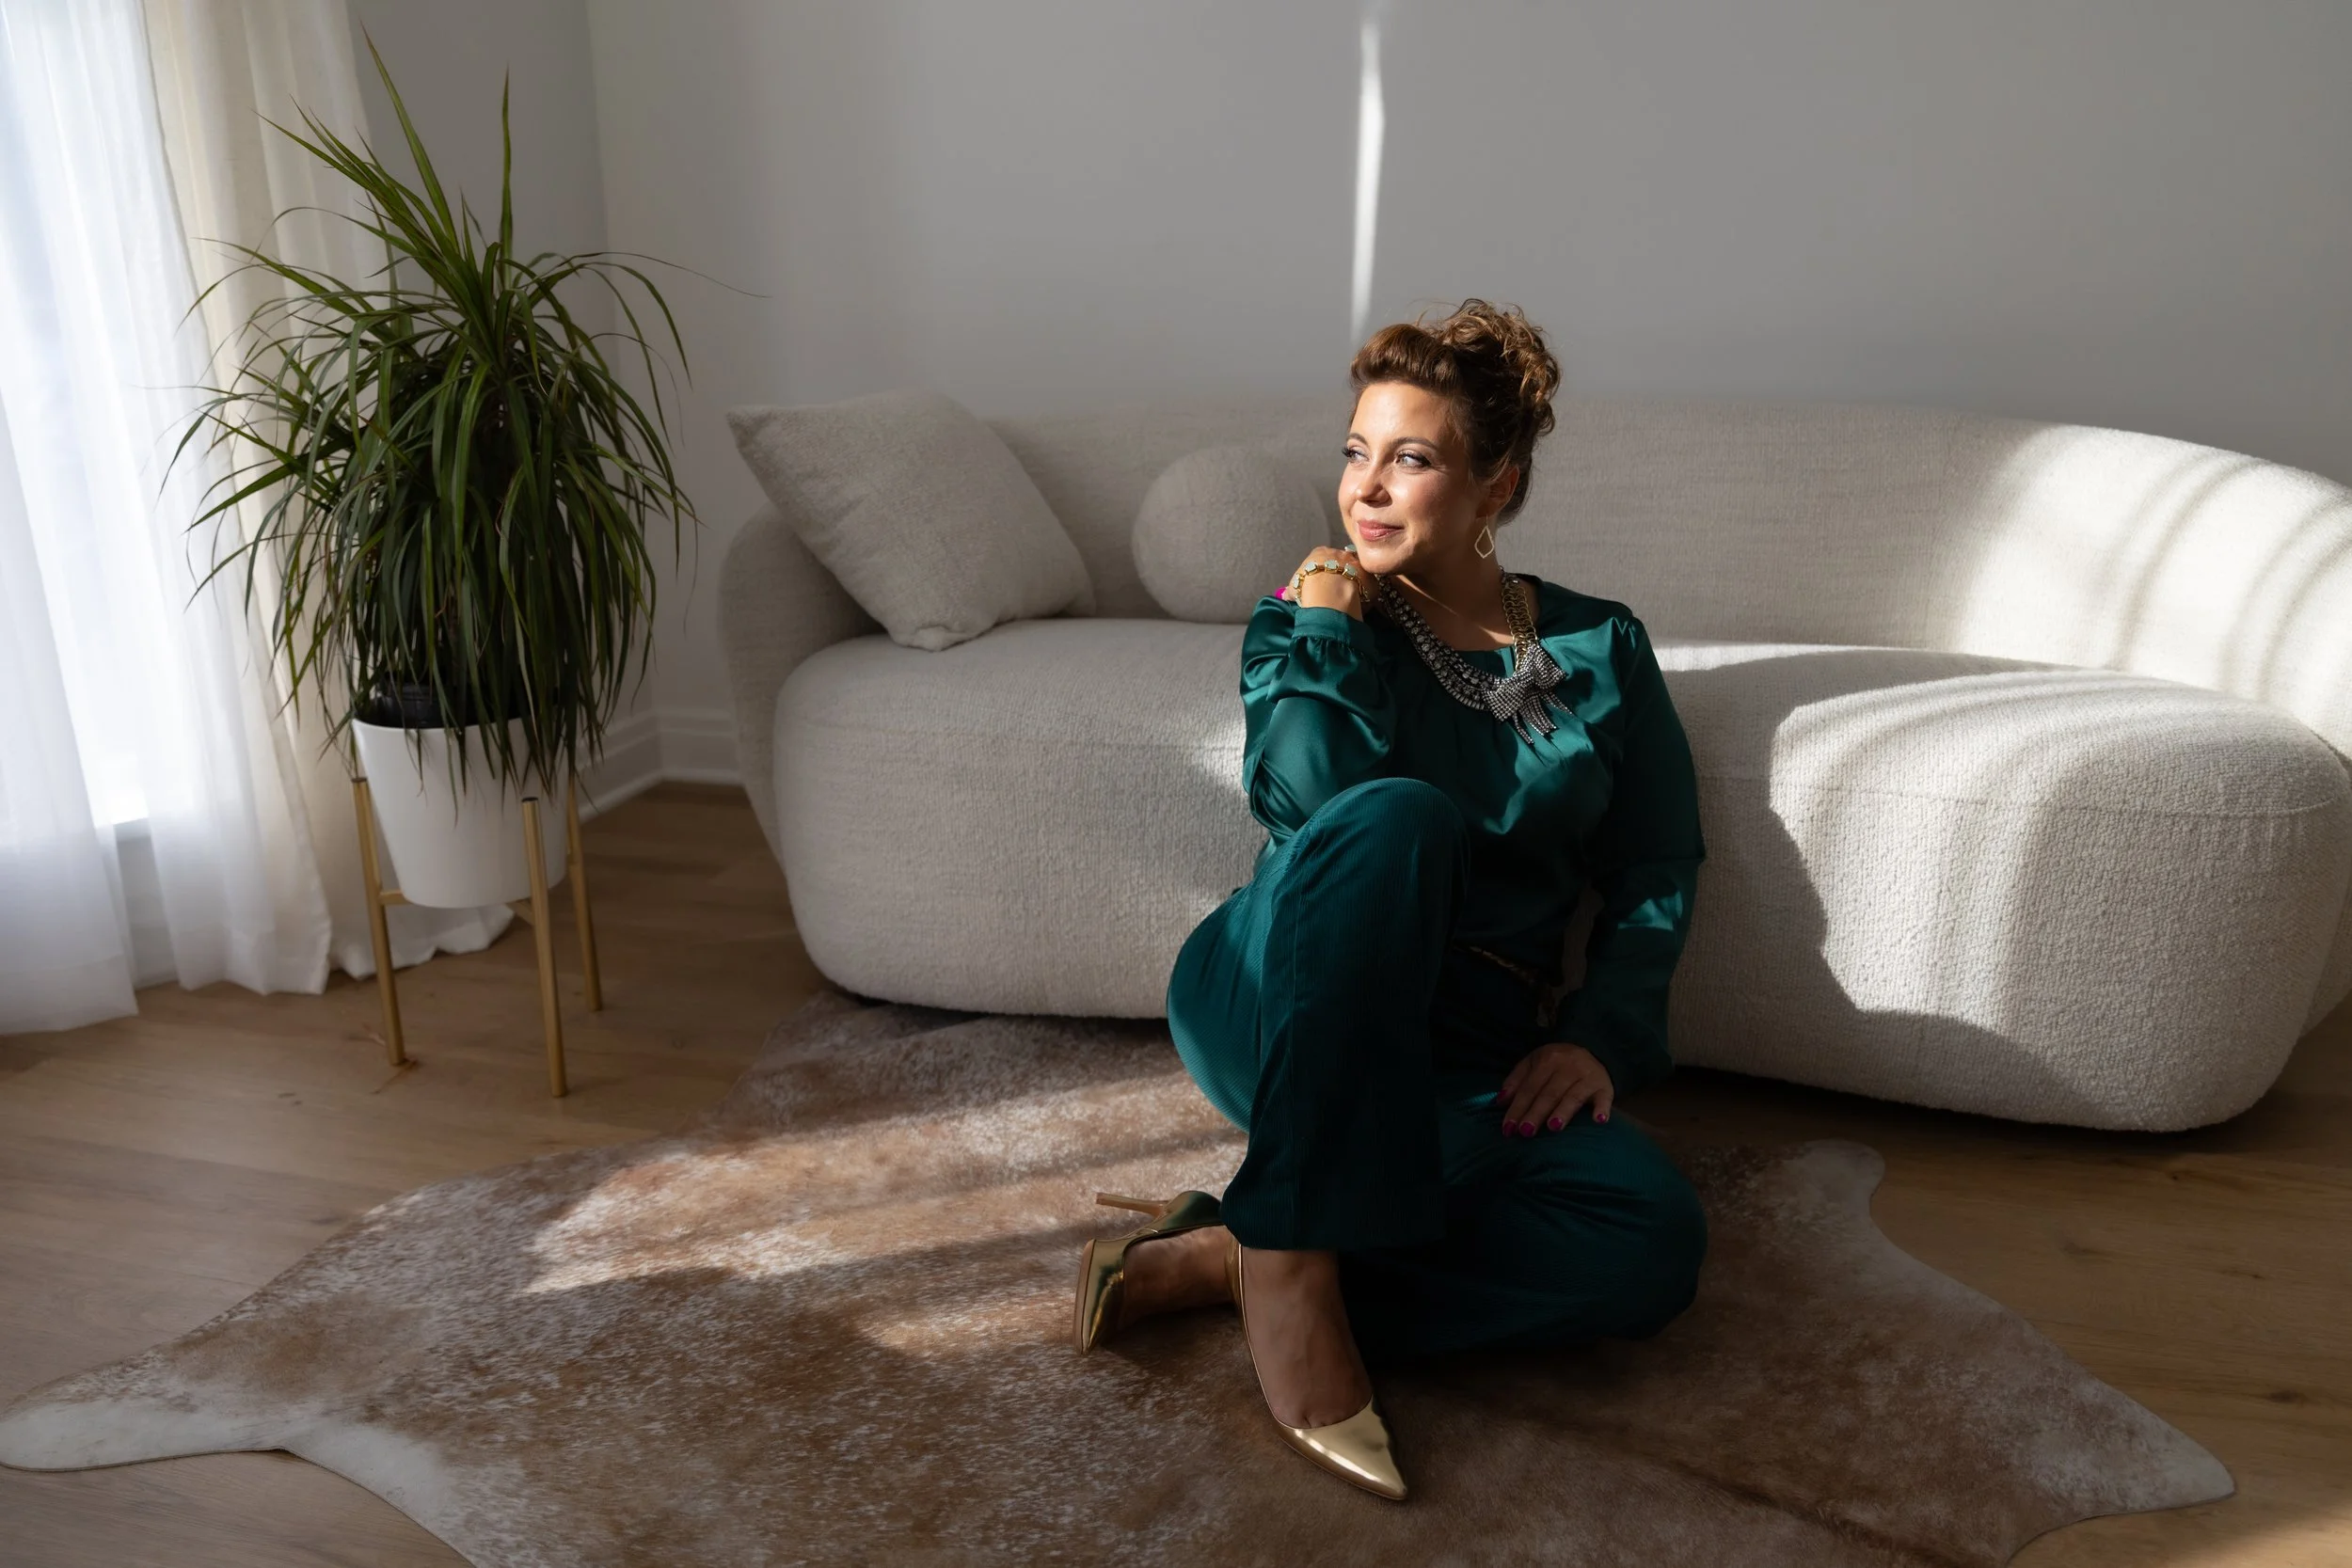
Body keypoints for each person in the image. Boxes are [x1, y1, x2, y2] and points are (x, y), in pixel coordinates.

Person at [1072, 300, 1709, 1501]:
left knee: (1649, 1242)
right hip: (1282, 984)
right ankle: (1302, 1295)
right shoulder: (1311, 618)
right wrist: (1321, 624)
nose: (1364, 488)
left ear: (1495, 487)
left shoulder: (1601, 645)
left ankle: (1242, 1250)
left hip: (1466, 1042)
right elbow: (1306, 800)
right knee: (1394, 812)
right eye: (1356, 451)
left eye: (1409, 458)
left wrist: (1596, 1030)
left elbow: (1654, 863)